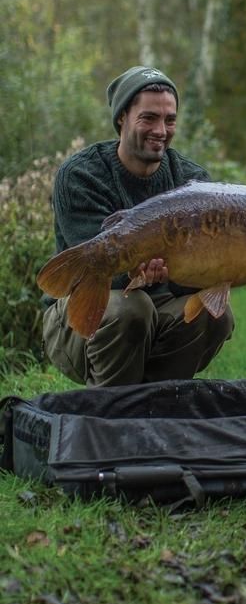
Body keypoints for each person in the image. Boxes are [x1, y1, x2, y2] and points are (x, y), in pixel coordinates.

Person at [42, 65, 234, 388]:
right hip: (82, 314)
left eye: (169, 120)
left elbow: (203, 272)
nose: (161, 130)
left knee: (216, 316)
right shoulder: (80, 175)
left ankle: (154, 402)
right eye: (149, 118)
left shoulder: (193, 181)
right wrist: (138, 271)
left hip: (159, 306)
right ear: (122, 118)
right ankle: (109, 414)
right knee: (133, 310)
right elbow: (93, 271)